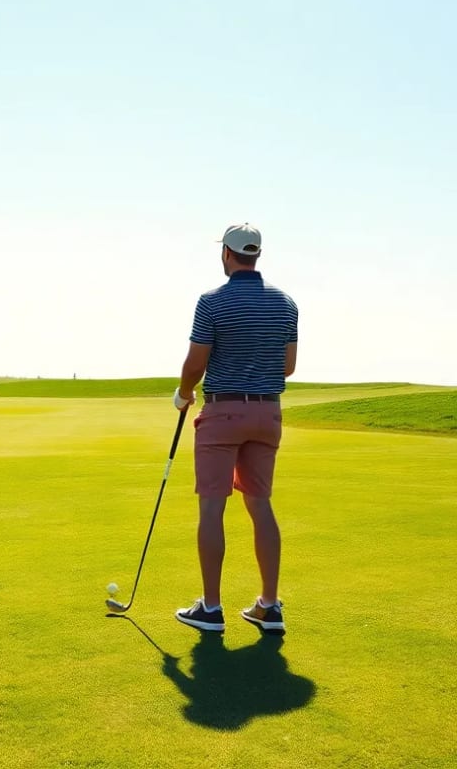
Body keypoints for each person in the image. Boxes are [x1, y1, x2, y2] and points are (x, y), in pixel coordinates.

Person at [171, 225, 298, 635]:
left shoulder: (212, 302)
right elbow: (287, 366)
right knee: (260, 504)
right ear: (256, 254)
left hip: (223, 412)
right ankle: (269, 606)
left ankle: (210, 609)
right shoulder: (286, 303)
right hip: (268, 414)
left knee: (212, 506)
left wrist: (184, 393)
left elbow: (196, 362)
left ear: (227, 253)